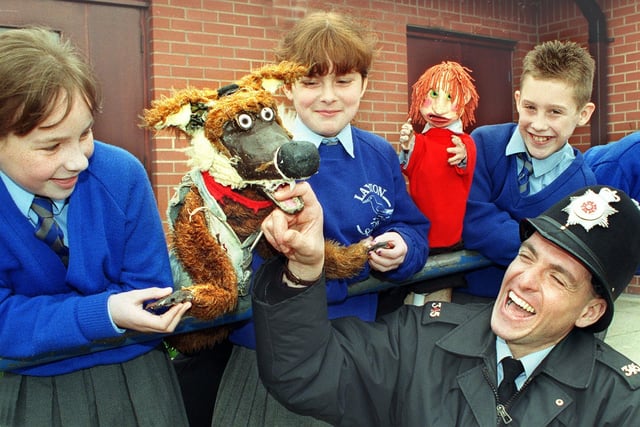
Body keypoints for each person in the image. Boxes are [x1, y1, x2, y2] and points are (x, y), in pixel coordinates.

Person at [253, 182, 640, 426]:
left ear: (590, 311)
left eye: (557, 277)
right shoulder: (418, 339)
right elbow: (305, 373)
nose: (525, 280)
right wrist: (304, 269)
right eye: (526, 256)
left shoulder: (619, 405)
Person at [205, 11, 430, 426]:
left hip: (360, 353)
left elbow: (412, 225)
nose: (328, 96)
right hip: (273, 360)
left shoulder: (378, 154)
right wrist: (338, 270)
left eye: (343, 81)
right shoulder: (252, 161)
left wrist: (404, 249)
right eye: (311, 82)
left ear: (364, 84)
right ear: (287, 88)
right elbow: (245, 264)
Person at [0, 27, 191, 426]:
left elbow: (147, 287)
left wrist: (41, 320)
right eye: (51, 145)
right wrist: (103, 311)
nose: (79, 161)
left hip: (137, 382)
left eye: (85, 133)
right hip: (24, 393)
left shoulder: (122, 174)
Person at [460, 40, 597, 301]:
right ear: (518, 99)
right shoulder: (484, 144)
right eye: (530, 108)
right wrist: (540, 247)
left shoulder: (583, 186)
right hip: (471, 297)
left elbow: (568, 257)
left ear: (583, 114)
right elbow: (473, 217)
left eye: (555, 112)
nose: (538, 124)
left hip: (534, 305)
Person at [398, 61, 479, 304]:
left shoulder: (465, 142)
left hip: (448, 239)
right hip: (418, 235)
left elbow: (467, 164)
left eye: (449, 96)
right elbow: (406, 167)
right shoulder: (420, 141)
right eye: (433, 94)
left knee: (438, 302)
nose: (439, 106)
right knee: (412, 300)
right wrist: (406, 148)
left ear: (463, 102)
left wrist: (462, 156)